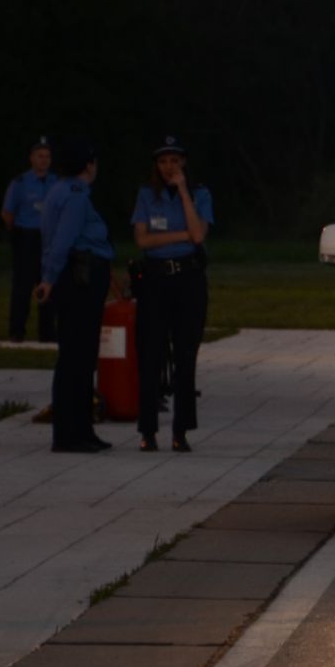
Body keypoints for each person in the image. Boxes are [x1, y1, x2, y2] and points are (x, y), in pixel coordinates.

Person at [131, 136, 212, 453]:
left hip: (188, 280)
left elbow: (197, 234)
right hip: (155, 280)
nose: (169, 167)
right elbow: (142, 240)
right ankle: (147, 431)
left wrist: (182, 192)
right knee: (150, 356)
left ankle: (181, 430)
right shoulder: (146, 195)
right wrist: (178, 237)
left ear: (184, 163)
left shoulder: (199, 193)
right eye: (163, 161)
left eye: (175, 161)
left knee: (185, 356)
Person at [34, 138, 114, 454]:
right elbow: (64, 239)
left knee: (76, 356)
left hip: (72, 278)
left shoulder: (56, 190)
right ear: (88, 164)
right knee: (77, 358)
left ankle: (82, 429)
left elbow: (49, 239)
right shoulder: (77, 196)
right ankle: (70, 434)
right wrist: (50, 278)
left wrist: (48, 276)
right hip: (80, 279)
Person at [0, 136, 57, 343]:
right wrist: (17, 234)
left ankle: (47, 332)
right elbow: (7, 213)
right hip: (26, 238)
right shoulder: (20, 183)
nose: (44, 160)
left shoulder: (56, 183)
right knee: (22, 287)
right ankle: (17, 331)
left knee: (48, 284)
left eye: (47, 156)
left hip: (48, 240)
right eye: (40, 156)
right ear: (31, 158)